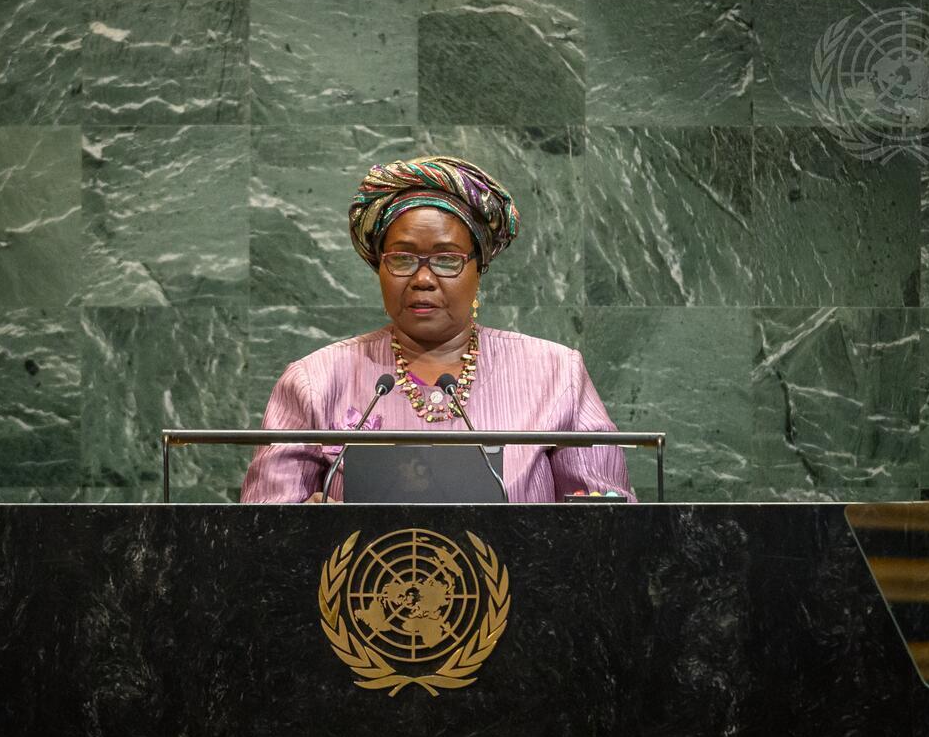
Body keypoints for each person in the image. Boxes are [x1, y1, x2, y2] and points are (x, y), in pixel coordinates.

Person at [240, 156, 634, 503]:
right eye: (402, 258)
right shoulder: (314, 382)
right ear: (379, 267)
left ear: (478, 268)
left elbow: (608, 526)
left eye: (446, 259)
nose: (423, 279)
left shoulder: (555, 374)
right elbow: (261, 534)